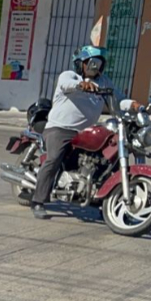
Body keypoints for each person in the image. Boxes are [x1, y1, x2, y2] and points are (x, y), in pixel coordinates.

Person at [31, 45, 139, 220]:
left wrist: (135, 105)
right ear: (81, 63)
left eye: (98, 63)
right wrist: (82, 84)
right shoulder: (69, 76)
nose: (94, 67)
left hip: (86, 131)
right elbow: (67, 84)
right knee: (54, 159)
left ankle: (101, 198)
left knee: (106, 159)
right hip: (60, 128)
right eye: (91, 63)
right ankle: (38, 201)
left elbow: (119, 100)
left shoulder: (104, 82)